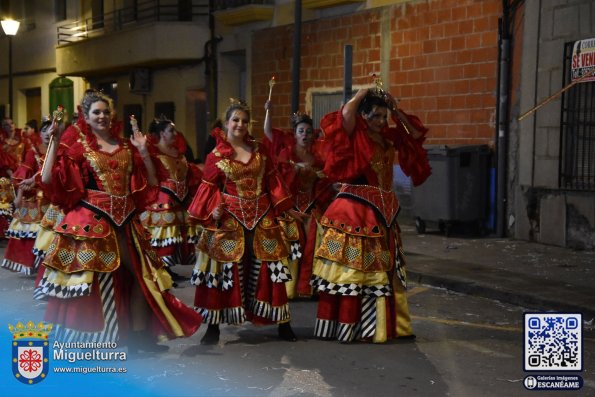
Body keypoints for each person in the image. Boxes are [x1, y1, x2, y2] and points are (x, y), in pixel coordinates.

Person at [38, 90, 201, 351]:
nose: (102, 117)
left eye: (105, 112)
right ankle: (98, 341)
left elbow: (152, 182)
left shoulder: (126, 145)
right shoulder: (77, 146)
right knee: (96, 283)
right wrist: (55, 142)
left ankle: (136, 337)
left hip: (126, 223)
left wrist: (144, 152)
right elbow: (47, 179)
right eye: (96, 113)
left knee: (140, 276)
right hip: (91, 225)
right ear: (86, 117)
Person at [311, 85, 431, 343]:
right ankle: (352, 327)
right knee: (356, 272)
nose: (379, 121)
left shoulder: (387, 137)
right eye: (374, 115)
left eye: (382, 116)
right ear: (363, 116)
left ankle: (384, 326)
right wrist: (361, 94)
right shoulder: (356, 134)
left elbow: (417, 133)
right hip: (356, 211)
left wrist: (395, 108)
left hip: (384, 212)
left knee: (383, 269)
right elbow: (344, 116)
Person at [188, 99, 298, 344]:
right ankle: (213, 327)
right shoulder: (215, 156)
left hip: (262, 217)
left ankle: (283, 322)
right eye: (235, 120)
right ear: (226, 123)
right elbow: (208, 189)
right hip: (230, 219)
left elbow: (273, 183)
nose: (240, 124)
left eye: (244, 121)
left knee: (272, 270)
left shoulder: (259, 151)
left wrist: (282, 210)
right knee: (221, 270)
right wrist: (212, 210)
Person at [263, 102, 332, 298]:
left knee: (320, 238)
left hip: (312, 207)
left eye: (308, 131)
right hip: (290, 209)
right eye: (301, 131)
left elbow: (326, 182)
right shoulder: (288, 155)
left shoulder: (317, 157)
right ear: (295, 134)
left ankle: (312, 287)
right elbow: (268, 132)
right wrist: (269, 110)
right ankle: (287, 289)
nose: (305, 134)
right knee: (290, 242)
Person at [139, 116, 202, 285]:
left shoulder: (178, 153)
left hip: (179, 202)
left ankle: (168, 270)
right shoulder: (153, 153)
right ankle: (160, 271)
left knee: (176, 238)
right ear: (161, 133)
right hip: (162, 202)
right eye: (171, 130)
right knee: (163, 238)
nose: (175, 133)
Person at [0, 118, 51, 274]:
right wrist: (18, 197)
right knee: (33, 233)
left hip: (54, 200)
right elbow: (23, 176)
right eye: (44, 131)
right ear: (39, 134)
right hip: (34, 199)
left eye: (51, 130)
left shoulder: (62, 151)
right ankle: (33, 265)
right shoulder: (33, 152)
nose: (48, 134)